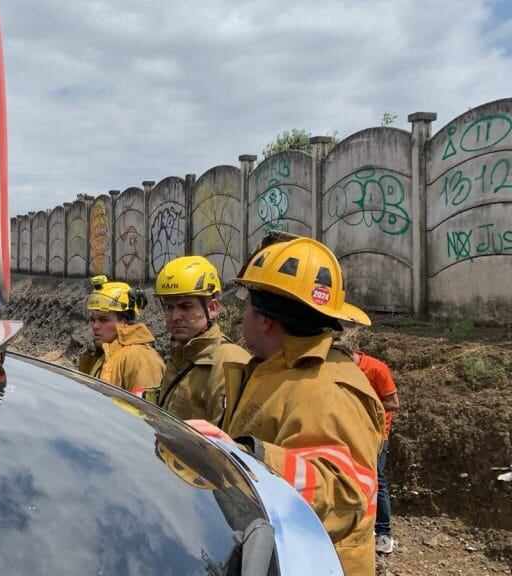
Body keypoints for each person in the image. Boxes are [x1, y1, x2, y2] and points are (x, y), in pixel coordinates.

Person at [186, 234, 385, 575]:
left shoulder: (326, 390)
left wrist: (239, 454)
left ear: (265, 319)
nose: (241, 314)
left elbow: (345, 494)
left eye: (247, 303)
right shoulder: (274, 370)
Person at [151, 256, 250, 422]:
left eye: (186, 307)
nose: (175, 316)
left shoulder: (228, 362)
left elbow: (226, 442)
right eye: (169, 307)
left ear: (212, 309)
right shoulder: (179, 356)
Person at [348, 348, 400, 555]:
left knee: (376, 479)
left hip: (377, 434)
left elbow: (393, 403)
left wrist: (365, 408)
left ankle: (384, 533)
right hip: (354, 433)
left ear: (350, 354)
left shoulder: (376, 368)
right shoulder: (342, 369)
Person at [77, 275, 165, 397]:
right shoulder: (106, 354)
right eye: (93, 320)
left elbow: (144, 412)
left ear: (124, 322)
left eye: (103, 320)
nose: (95, 326)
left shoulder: (141, 358)